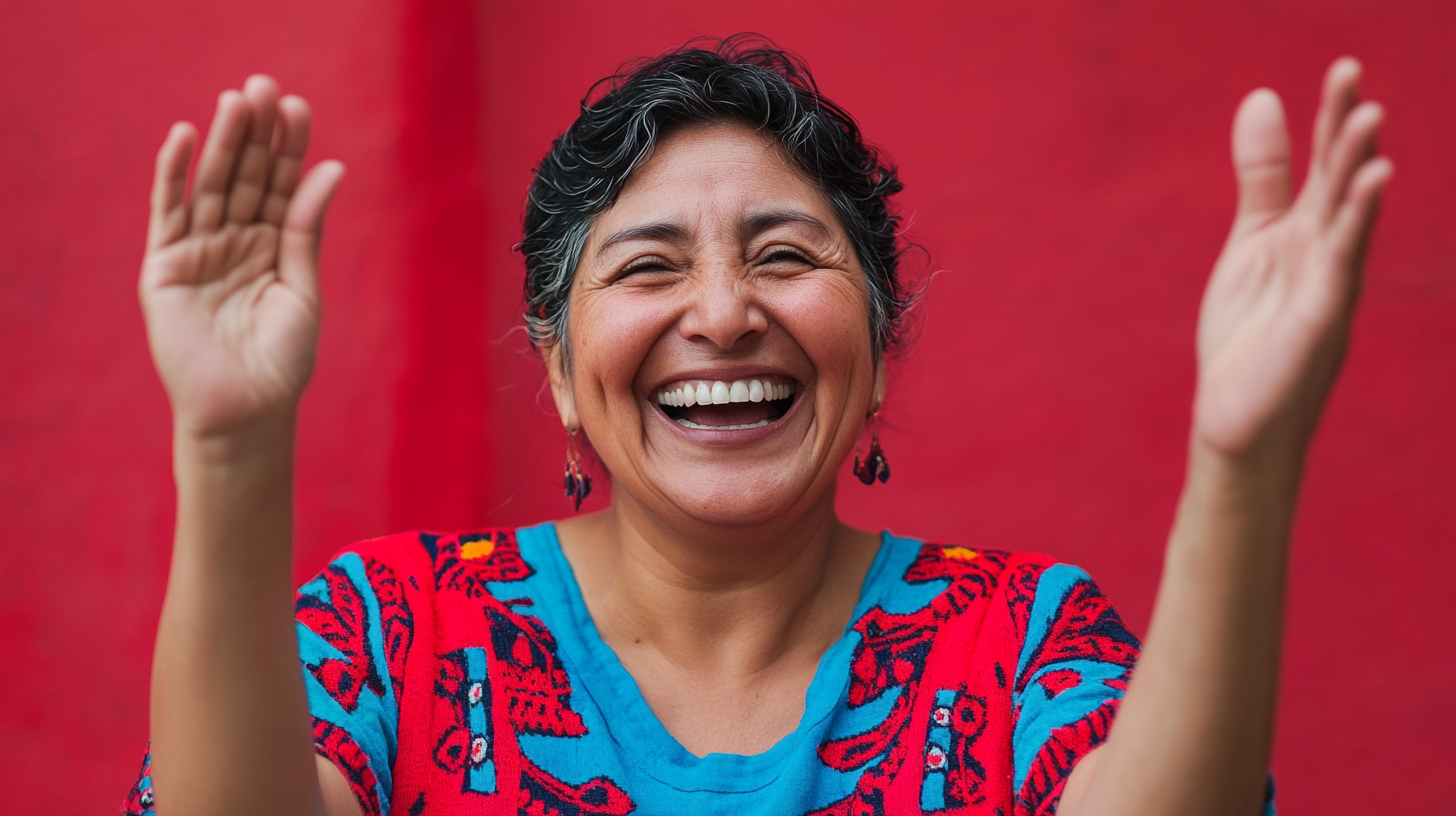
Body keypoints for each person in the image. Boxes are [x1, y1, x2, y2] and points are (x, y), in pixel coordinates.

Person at [125, 36, 1390, 816]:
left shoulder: (1019, 650)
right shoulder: (393, 637)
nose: (724, 315)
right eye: (647, 269)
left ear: (880, 355)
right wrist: (231, 449)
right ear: (561, 376)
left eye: (785, 255)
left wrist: (1244, 456)